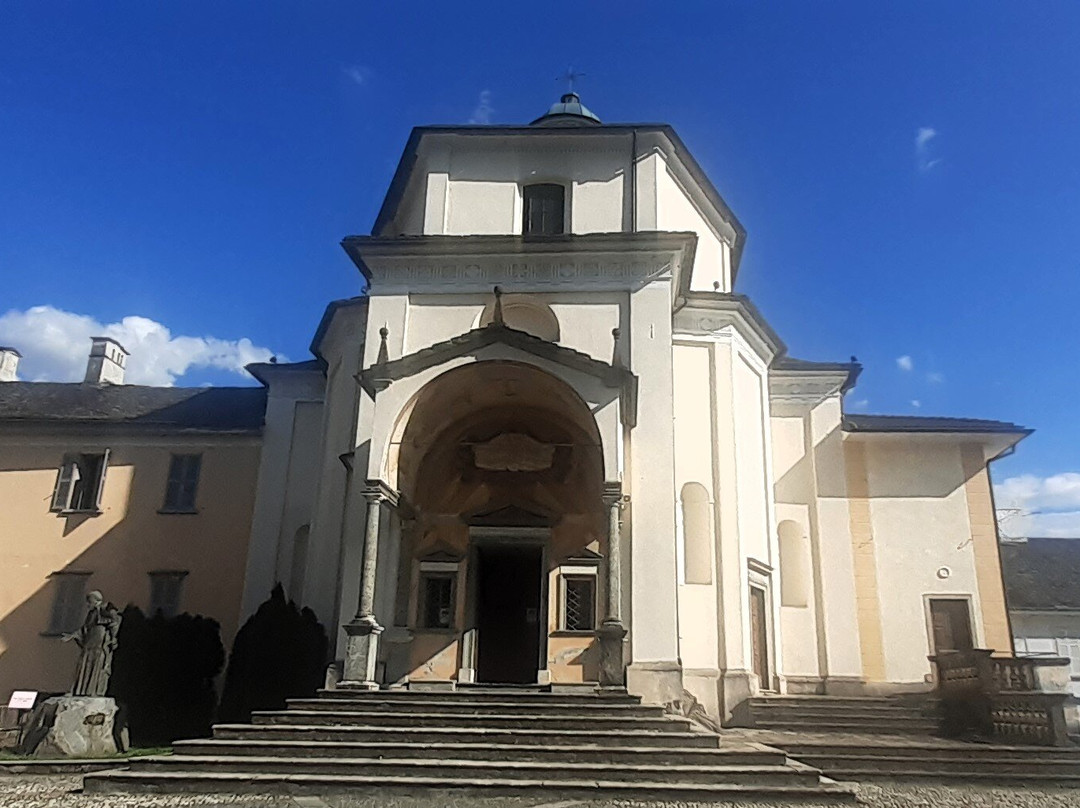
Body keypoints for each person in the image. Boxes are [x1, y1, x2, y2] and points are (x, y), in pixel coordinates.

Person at [62, 591, 122, 697]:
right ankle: (80, 691)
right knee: (84, 664)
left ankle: (93, 691)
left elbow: (115, 622)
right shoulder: (91, 613)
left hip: (99, 642)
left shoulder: (106, 609)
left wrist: (113, 638)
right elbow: (85, 628)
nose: (88, 604)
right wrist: (73, 635)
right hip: (90, 642)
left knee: (96, 665)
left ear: (96, 601)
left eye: (90, 601)